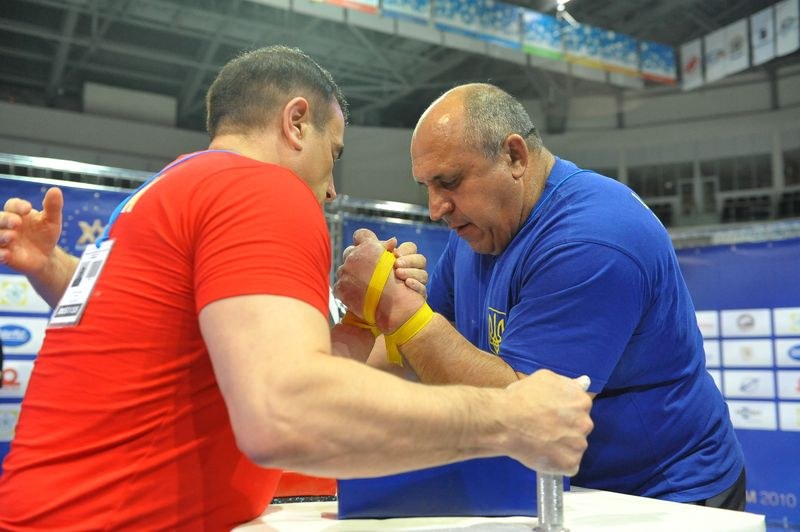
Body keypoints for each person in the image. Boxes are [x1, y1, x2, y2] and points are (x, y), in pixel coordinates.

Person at [0, 48, 593, 529]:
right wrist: (509, 418)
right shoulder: (260, 188)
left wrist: (361, 322)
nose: (331, 189)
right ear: (296, 122)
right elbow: (285, 413)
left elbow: (165, 346)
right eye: (333, 155)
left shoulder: (161, 192)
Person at [335, 83, 746, 510]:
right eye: (427, 186)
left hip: (665, 494)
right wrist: (369, 318)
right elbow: (416, 354)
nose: (436, 208)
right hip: (562, 484)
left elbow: (528, 413)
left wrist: (403, 311)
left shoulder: (592, 238)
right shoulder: (477, 228)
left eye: (449, 182)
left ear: (515, 156)